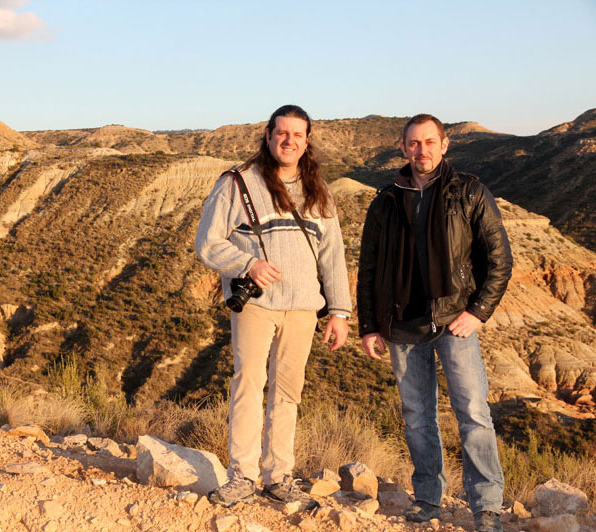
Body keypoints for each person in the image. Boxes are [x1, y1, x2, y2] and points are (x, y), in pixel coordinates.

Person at [357, 114, 512, 532]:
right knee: (417, 417)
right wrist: (369, 325)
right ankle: (428, 498)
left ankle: (486, 506)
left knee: (473, 413)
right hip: (403, 325)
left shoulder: (469, 191)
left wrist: (477, 311)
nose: (421, 150)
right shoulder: (386, 200)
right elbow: (368, 268)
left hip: (454, 321)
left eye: (429, 142)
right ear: (403, 148)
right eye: (413, 143)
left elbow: (499, 261)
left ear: (444, 145)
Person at [195, 104, 352, 509]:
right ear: (268, 136)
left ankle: (278, 476)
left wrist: (339, 312)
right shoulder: (238, 183)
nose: (289, 140)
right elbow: (208, 243)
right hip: (258, 306)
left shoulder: (319, 191)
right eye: (281, 133)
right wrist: (248, 263)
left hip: (302, 309)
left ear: (307, 141)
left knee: (287, 392)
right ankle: (242, 476)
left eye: (297, 135)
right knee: (248, 385)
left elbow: (332, 255)